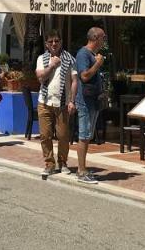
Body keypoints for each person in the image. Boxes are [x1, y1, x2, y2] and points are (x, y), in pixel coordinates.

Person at [36, 30, 77, 179]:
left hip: (62, 103)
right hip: (44, 101)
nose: (54, 44)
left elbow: (74, 81)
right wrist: (52, 65)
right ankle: (49, 164)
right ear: (46, 44)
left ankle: (63, 162)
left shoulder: (69, 59)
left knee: (63, 135)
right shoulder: (42, 58)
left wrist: (72, 100)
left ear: (61, 42)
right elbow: (40, 77)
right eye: (51, 41)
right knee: (45, 135)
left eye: (57, 41)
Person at [73, 26, 108, 183]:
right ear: (95, 38)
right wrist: (98, 64)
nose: (104, 41)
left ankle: (84, 169)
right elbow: (84, 76)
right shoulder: (83, 54)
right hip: (85, 101)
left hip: (93, 101)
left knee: (88, 136)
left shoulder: (92, 54)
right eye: (103, 37)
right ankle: (81, 171)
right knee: (84, 136)